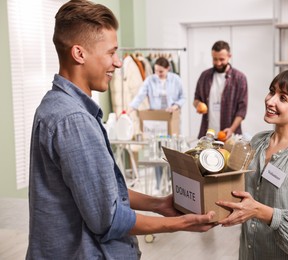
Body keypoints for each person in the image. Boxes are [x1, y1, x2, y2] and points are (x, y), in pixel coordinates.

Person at [27, 1, 215, 259]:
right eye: (111, 53)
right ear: (79, 54)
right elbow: (107, 219)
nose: (117, 63)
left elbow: (100, 192)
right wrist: (181, 224)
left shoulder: (55, 105)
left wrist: (159, 204)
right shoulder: (74, 120)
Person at [216, 70, 288, 259]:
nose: (270, 101)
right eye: (272, 91)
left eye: (283, 98)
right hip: (253, 251)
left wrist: (261, 212)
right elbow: (237, 189)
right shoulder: (258, 142)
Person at [129, 56, 185, 195]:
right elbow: (140, 95)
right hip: (156, 123)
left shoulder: (176, 80)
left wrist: (175, 105)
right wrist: (130, 108)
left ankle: (173, 185)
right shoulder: (150, 80)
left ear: (168, 69)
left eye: (161, 71)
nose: (158, 74)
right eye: (156, 71)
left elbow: (182, 97)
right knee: (156, 154)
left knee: (171, 154)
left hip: (171, 121)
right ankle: (159, 185)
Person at [193, 40, 248, 139]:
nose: (218, 63)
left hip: (230, 135)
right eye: (215, 59)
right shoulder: (204, 76)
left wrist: (231, 129)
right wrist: (198, 105)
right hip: (207, 135)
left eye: (222, 59)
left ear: (229, 56)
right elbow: (196, 99)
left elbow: (242, 110)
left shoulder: (240, 78)